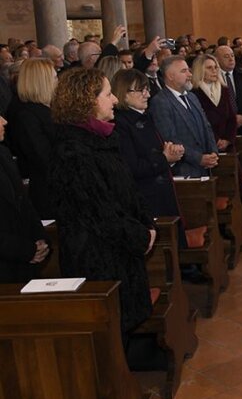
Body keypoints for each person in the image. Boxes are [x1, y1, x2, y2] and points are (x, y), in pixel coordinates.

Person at [49, 68, 162, 368]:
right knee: (109, 337)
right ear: (86, 100)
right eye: (108, 94)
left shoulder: (100, 139)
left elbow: (127, 190)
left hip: (119, 251)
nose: (114, 100)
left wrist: (146, 223)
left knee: (122, 333)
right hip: (99, 257)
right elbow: (98, 212)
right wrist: (140, 235)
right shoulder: (73, 151)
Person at [111, 69, 186, 247]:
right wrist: (164, 158)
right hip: (146, 197)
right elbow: (132, 167)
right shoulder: (120, 125)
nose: (147, 94)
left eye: (147, 89)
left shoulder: (144, 117)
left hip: (161, 191)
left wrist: (171, 156)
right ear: (123, 93)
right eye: (141, 90)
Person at [149, 55, 219, 177]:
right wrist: (198, 158)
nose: (190, 75)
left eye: (189, 70)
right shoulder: (160, 102)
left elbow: (206, 126)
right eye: (184, 71)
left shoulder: (192, 97)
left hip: (206, 168)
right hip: (184, 171)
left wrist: (213, 152)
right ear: (170, 76)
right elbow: (169, 138)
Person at [4, 58, 57, 218]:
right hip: (48, 192)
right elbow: (42, 158)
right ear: (42, 81)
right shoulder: (27, 116)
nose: (58, 81)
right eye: (54, 77)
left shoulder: (47, 109)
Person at [0, 114, 49, 283]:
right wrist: (25, 250)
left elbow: (23, 202)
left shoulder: (3, 153)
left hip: (23, 265)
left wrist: (40, 238)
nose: (5, 121)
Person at [191, 54, 238, 153]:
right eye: (209, 68)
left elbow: (232, 117)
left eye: (216, 67)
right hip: (206, 146)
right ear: (200, 70)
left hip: (227, 144)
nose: (214, 70)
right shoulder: (194, 94)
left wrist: (228, 140)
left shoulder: (224, 90)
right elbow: (199, 123)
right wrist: (216, 140)